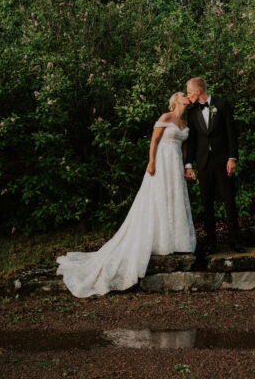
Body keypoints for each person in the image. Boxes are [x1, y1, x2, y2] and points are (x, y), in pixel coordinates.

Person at [56, 92, 196, 298]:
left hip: (175, 164)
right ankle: (159, 240)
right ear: (176, 100)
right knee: (158, 198)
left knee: (175, 199)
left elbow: (185, 147)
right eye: (183, 94)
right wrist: (151, 162)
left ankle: (176, 240)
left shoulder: (185, 122)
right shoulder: (166, 117)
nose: (186, 96)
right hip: (162, 162)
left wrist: (185, 166)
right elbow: (154, 141)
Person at [184, 77, 244, 257]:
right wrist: (188, 164)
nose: (188, 95)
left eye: (189, 92)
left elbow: (231, 133)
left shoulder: (222, 104)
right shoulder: (192, 112)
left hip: (223, 161)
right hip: (203, 163)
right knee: (207, 203)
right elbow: (192, 141)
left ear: (198, 91)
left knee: (229, 200)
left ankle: (235, 240)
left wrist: (232, 158)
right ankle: (211, 242)